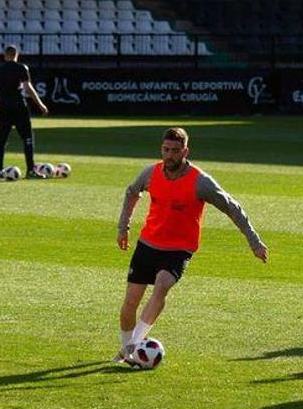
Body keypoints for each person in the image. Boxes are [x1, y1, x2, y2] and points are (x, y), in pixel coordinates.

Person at [114, 127, 268, 362]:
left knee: (162, 284)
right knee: (130, 303)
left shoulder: (200, 182)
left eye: (175, 151)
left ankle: (134, 345)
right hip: (148, 244)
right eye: (166, 150)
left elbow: (231, 207)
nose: (170, 155)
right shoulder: (151, 173)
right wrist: (123, 227)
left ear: (185, 151)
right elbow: (132, 192)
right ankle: (126, 348)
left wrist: (254, 242)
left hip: (178, 249)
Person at [0, 45, 49, 179]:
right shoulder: (22, 68)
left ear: (5, 55)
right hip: (19, 106)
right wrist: (40, 104)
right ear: (17, 55)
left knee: (2, 139)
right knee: (27, 137)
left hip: (4, 106)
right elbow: (28, 88)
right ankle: (30, 170)